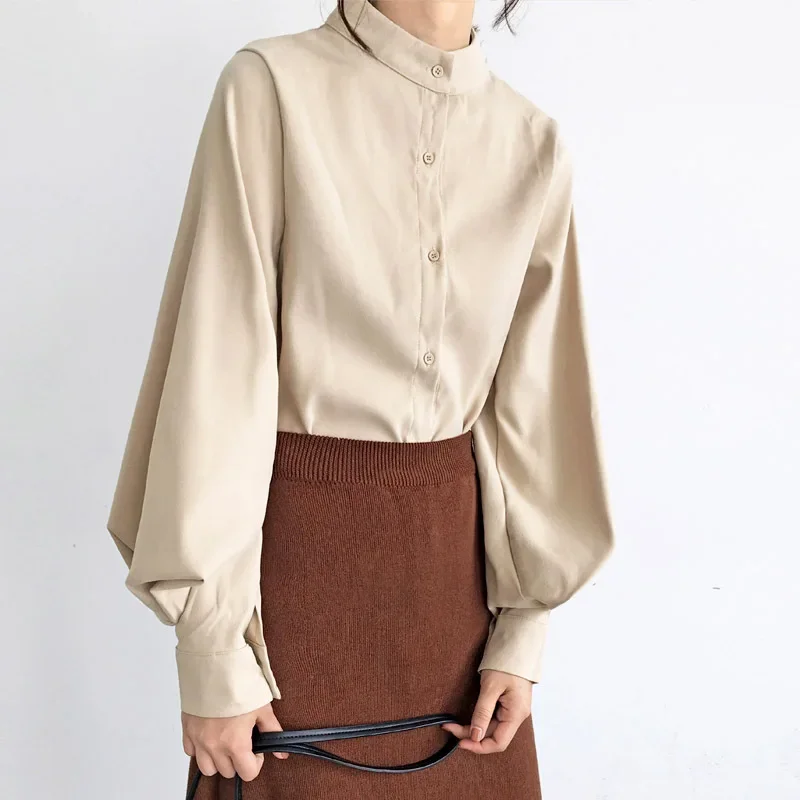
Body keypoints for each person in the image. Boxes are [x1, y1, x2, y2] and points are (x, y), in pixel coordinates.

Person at [105, 1, 614, 797]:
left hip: (460, 619)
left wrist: (523, 628)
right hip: (295, 597)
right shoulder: (272, 87)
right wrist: (212, 647)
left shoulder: (531, 142)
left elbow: (534, 408)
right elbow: (217, 370)